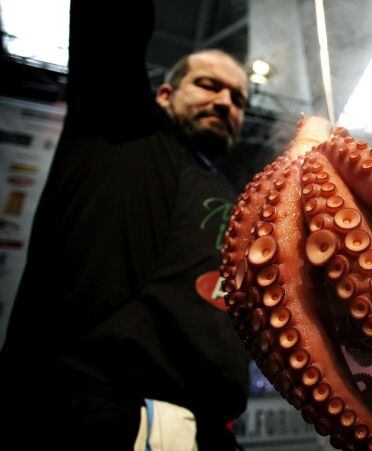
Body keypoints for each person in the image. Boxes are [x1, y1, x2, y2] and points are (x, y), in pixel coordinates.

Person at [0, 1, 252, 449]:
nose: (224, 101)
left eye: (237, 99)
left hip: (210, 432)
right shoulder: (117, 128)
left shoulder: (239, 197)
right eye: (208, 85)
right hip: (84, 415)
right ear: (164, 94)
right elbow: (113, 23)